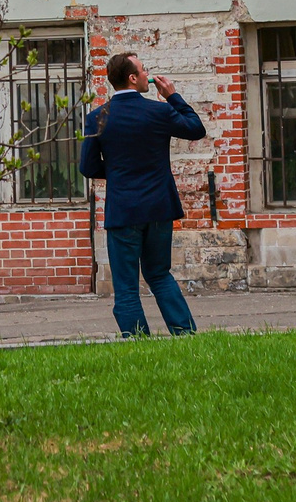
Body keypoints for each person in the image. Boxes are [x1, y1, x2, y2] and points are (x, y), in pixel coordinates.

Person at [78, 51, 203, 338]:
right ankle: (184, 333)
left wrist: (120, 172)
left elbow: (87, 166)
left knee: (126, 284)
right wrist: (173, 96)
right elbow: (196, 129)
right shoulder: (159, 111)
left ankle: (136, 339)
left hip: (123, 210)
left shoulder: (98, 118)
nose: (148, 76)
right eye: (144, 71)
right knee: (159, 274)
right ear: (133, 78)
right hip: (159, 207)